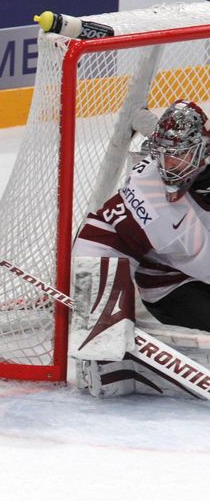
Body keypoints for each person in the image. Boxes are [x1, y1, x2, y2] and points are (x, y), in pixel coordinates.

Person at [71, 99, 210, 398]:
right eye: (164, 155)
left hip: (168, 258)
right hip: (152, 276)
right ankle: (124, 371)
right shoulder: (168, 214)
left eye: (178, 155)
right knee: (105, 367)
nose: (168, 165)